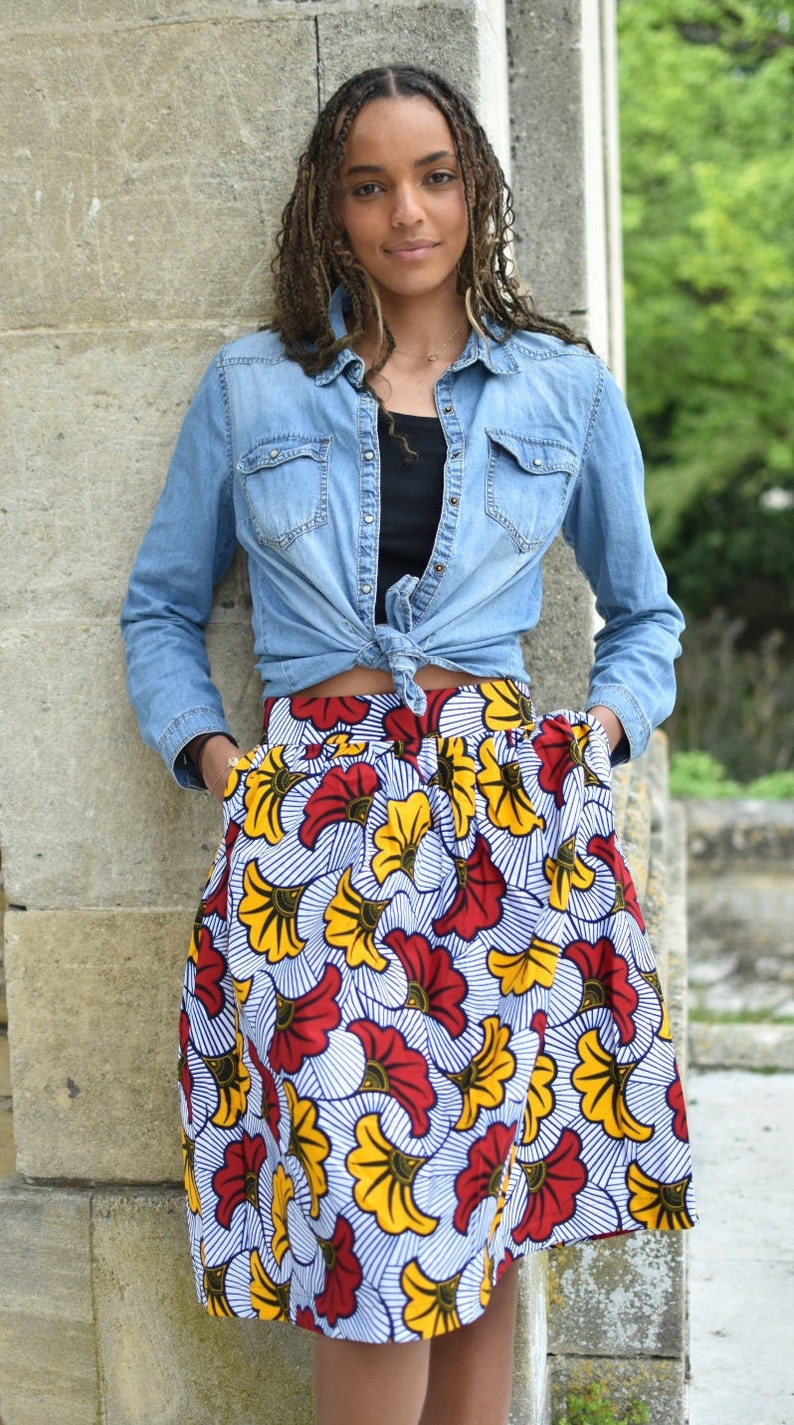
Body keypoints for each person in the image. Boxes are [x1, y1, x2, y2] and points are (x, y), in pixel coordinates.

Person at [121, 64, 696, 1425]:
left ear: (475, 188)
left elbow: (647, 614)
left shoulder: (558, 385)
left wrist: (594, 735)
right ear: (332, 205)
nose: (406, 212)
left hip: (502, 842)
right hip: (312, 849)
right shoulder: (252, 386)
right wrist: (219, 761)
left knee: (481, 1230)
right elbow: (158, 608)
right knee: (372, 1235)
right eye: (370, 184)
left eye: (433, 175)